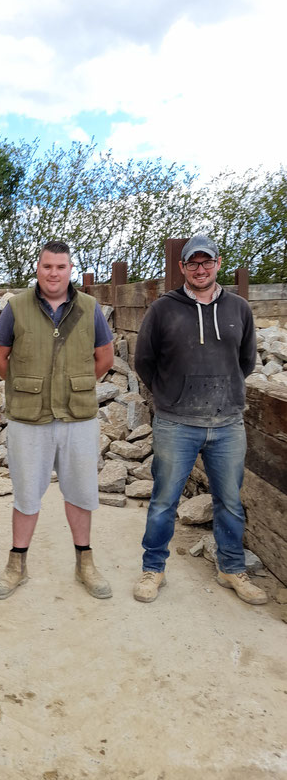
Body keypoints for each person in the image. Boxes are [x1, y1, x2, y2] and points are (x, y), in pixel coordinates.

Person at [133, 234, 266, 605]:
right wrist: (170, 395)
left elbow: (247, 361)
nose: (201, 269)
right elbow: (144, 360)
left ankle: (231, 567)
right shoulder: (163, 309)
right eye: (193, 263)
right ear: (182, 268)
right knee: (163, 501)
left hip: (227, 423)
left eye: (207, 262)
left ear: (218, 264)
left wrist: (227, 393)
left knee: (229, 501)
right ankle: (153, 568)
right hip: (176, 422)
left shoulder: (239, 308)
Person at [0, 240, 115, 600]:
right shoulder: (16, 307)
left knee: (80, 491)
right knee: (27, 493)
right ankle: (17, 564)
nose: (53, 273)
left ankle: (85, 563)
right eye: (47, 267)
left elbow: (104, 359)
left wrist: (75, 386)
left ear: (70, 270)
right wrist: (24, 386)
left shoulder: (90, 308)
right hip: (30, 419)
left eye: (60, 267)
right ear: (38, 269)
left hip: (78, 418)